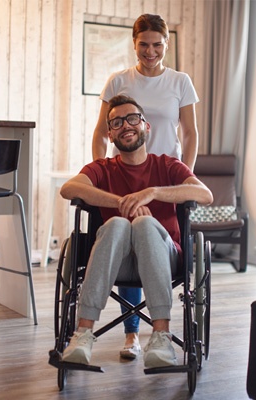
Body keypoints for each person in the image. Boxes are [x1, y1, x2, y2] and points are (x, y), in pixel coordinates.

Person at [60, 95, 213, 368]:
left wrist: (151, 193)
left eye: (133, 119)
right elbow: (69, 189)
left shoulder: (166, 165)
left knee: (144, 224)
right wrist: (122, 203)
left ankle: (161, 336)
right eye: (116, 122)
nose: (126, 126)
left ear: (146, 126)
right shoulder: (103, 169)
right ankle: (82, 335)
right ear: (110, 134)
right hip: (116, 262)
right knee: (118, 223)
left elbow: (205, 194)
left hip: (164, 258)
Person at [92, 14, 200, 358]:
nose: (150, 51)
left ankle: (160, 332)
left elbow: (190, 134)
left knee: (151, 240)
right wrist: (100, 168)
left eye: (157, 45)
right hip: (124, 174)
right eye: (143, 45)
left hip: (165, 178)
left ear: (166, 44)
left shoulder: (180, 81)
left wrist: (184, 179)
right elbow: (100, 132)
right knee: (125, 238)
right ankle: (131, 334)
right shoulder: (119, 80)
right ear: (134, 44)